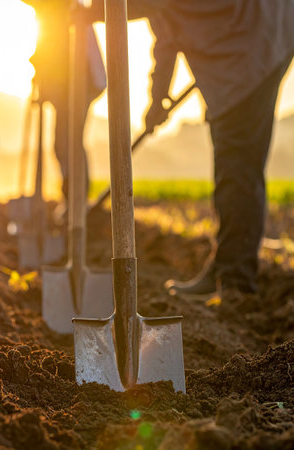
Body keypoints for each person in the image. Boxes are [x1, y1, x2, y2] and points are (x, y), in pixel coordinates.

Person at [84, 0, 294, 297]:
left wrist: (83, 13)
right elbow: (167, 35)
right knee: (231, 162)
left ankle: (236, 280)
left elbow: (146, 7)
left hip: (255, 40)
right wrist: (158, 98)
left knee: (237, 165)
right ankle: (226, 267)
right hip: (240, 42)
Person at [21, 0, 106, 210]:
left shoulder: (65, 10)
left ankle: (77, 199)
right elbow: (48, 54)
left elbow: (58, 55)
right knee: (62, 143)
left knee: (70, 141)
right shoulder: (50, 15)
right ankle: (72, 195)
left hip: (81, 84)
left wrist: (43, 77)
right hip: (67, 87)